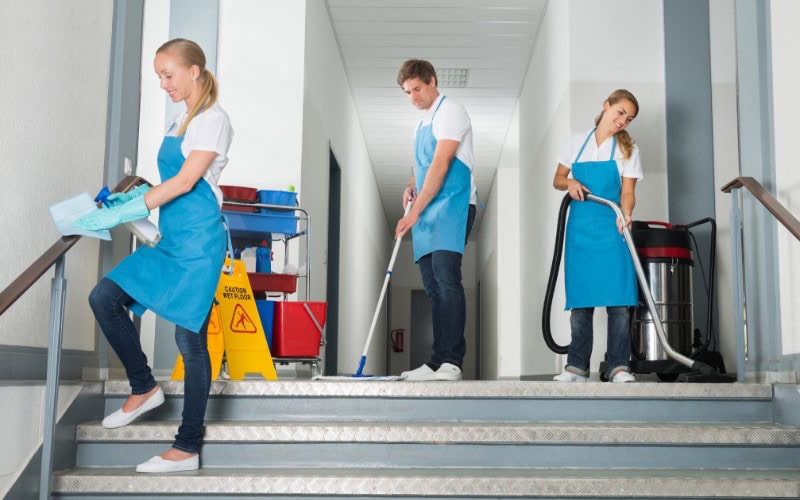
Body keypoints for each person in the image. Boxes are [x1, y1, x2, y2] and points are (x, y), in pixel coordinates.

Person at [75, 38, 233, 472]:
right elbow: (166, 184)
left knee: (189, 339)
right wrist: (133, 199)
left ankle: (186, 446)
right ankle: (144, 386)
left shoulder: (212, 120)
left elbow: (185, 182)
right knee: (104, 297)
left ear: (194, 71)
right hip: (171, 237)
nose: (164, 84)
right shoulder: (179, 121)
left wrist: (133, 207)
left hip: (199, 242)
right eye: (159, 76)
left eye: (168, 74)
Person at [552, 89, 643, 383]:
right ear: (606, 106)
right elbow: (556, 179)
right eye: (620, 113)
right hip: (580, 230)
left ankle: (618, 366)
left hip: (612, 226)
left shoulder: (628, 150)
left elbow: (628, 193)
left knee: (619, 301)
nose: (622, 121)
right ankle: (576, 367)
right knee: (581, 302)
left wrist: (625, 214)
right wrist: (569, 181)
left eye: (628, 119)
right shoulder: (576, 142)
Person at [394, 59, 477, 382]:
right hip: (429, 208)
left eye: (417, 89)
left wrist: (414, 213)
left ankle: (452, 361)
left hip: (453, 204)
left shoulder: (451, 112)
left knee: (446, 278)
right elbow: (423, 166)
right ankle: (436, 360)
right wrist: (412, 184)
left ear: (432, 81)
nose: (413, 97)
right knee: (431, 287)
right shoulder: (421, 123)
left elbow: (441, 165)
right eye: (407, 92)